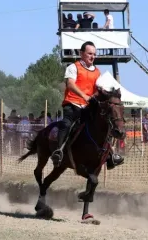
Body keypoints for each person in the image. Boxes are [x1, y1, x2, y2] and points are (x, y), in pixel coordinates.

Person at [51, 41, 124, 169]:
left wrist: (100, 95)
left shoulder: (97, 72)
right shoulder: (73, 67)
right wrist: (84, 95)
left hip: (87, 106)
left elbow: (98, 88)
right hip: (72, 104)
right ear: (81, 53)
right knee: (67, 124)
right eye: (89, 53)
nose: (92, 56)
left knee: (102, 125)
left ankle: (111, 156)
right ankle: (59, 151)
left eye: (94, 54)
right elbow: (70, 84)